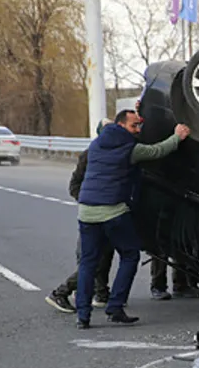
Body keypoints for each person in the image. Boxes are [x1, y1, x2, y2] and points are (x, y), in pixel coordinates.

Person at [74, 109, 190, 329]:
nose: (138, 130)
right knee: (129, 255)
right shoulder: (130, 149)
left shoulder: (96, 144)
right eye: (134, 126)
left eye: (139, 125)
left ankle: (83, 316)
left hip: (86, 211)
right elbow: (157, 151)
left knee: (88, 263)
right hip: (112, 211)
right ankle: (115, 306)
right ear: (121, 125)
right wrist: (177, 137)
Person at [45, 118, 115, 314]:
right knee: (91, 259)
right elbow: (75, 185)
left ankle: (100, 293)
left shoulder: (114, 152)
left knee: (105, 254)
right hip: (93, 215)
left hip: (108, 213)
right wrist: (89, 201)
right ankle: (61, 292)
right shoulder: (91, 154)